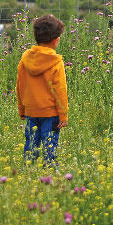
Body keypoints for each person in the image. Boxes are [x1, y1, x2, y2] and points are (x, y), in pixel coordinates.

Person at [17, 14, 69, 165]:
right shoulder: (55, 62)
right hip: (50, 113)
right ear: (56, 40)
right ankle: (50, 171)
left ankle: (28, 169)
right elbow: (60, 90)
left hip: (31, 111)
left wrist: (22, 109)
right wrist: (63, 114)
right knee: (49, 145)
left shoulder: (25, 59)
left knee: (31, 144)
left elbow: (20, 86)